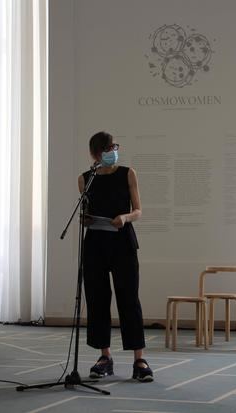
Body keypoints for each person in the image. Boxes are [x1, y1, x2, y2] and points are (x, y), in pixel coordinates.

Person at [78, 131, 153, 382]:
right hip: (96, 244)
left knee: (129, 299)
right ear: (96, 154)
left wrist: (125, 217)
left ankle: (139, 359)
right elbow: (85, 213)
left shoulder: (127, 173)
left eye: (114, 147)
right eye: (107, 149)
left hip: (123, 242)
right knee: (97, 300)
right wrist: (86, 220)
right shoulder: (85, 179)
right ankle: (105, 357)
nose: (112, 151)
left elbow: (139, 210)